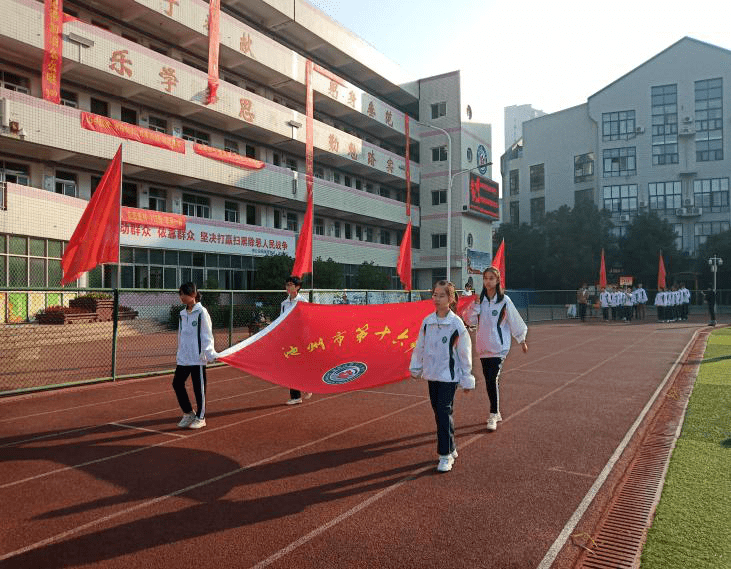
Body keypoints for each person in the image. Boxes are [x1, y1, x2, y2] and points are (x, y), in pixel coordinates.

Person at [410, 280, 475, 473]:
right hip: (432, 374)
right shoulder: (428, 321)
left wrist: (467, 378)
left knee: (443, 410)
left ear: (451, 299)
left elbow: (464, 353)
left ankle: (445, 455)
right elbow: (420, 345)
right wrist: (416, 367)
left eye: (441, 295)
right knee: (440, 413)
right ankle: (452, 446)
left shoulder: (456, 324)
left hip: (449, 376)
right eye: (435, 295)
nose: (436, 299)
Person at [467, 266, 528, 432]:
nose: (487, 281)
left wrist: (521, 339)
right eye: (485, 278)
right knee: (488, 380)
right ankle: (496, 411)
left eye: (491, 278)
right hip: (483, 346)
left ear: (497, 280)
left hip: (499, 346)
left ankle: (493, 413)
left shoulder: (504, 301)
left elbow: (514, 319)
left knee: (492, 378)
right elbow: (470, 321)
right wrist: (475, 307)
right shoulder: (479, 300)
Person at [173, 282, 218, 429]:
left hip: (198, 357)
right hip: (184, 357)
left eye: (183, 293)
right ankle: (188, 413)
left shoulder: (201, 312)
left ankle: (201, 417)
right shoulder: (182, 314)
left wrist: (209, 353)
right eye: (180, 294)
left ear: (192, 294)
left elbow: (207, 334)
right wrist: (179, 353)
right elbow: (181, 335)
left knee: (199, 389)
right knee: (177, 383)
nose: (181, 297)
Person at [281, 275, 313, 404]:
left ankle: (307, 385)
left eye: (291, 284)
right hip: (289, 339)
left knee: (300, 364)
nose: (288, 287)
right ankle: (296, 396)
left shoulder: (303, 302)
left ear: (297, 287)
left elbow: (308, 320)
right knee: (290, 367)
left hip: (301, 338)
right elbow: (281, 321)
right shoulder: (284, 304)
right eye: (287, 285)